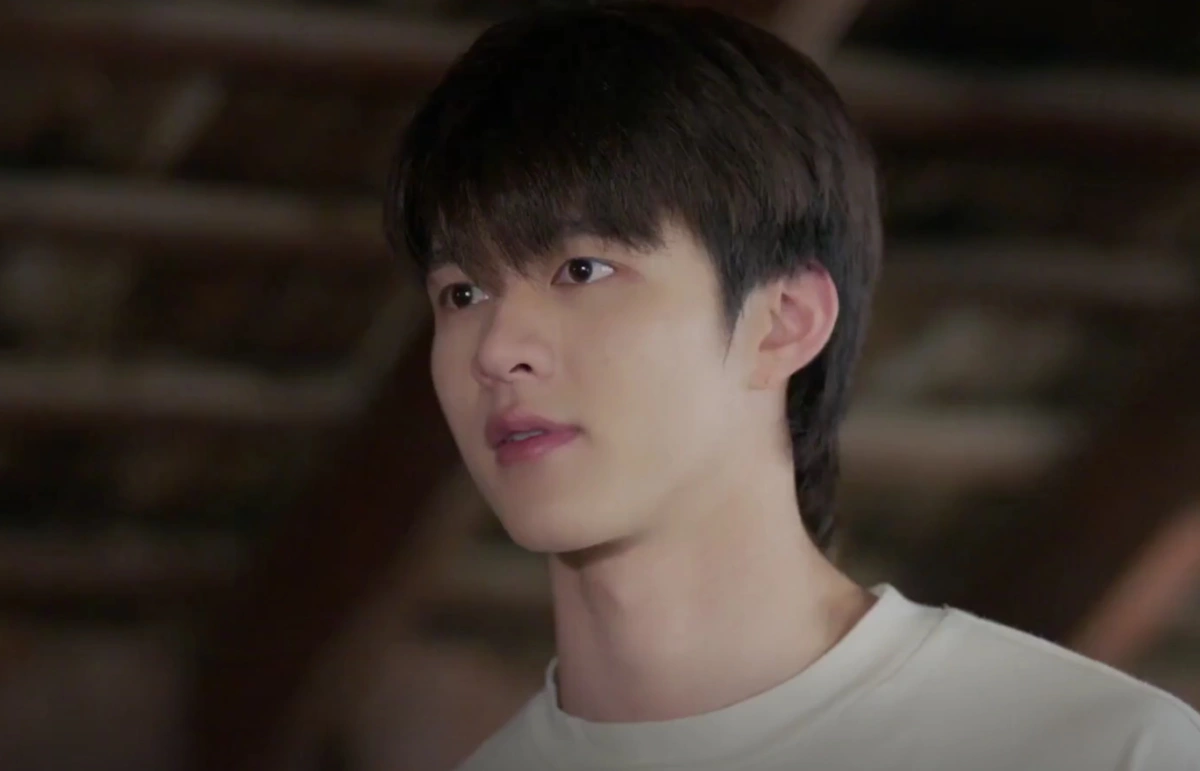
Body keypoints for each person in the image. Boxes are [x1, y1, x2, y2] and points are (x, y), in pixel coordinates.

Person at [384, 3, 1200, 769]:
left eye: (583, 270)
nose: (498, 348)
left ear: (785, 321)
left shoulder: (1098, 750)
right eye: (463, 292)